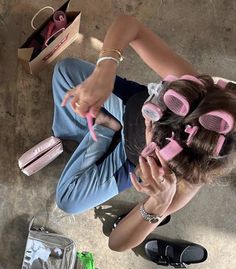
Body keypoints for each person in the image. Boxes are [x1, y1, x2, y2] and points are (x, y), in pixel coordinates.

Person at [52, 15, 236, 252]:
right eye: (155, 110)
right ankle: (86, 137)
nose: (147, 120)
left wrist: (158, 205)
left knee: (68, 199)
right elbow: (129, 25)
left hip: (130, 160)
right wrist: (105, 68)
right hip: (129, 104)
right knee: (65, 71)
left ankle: (105, 129)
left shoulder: (185, 181)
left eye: (150, 128)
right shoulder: (196, 89)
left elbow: (117, 243)